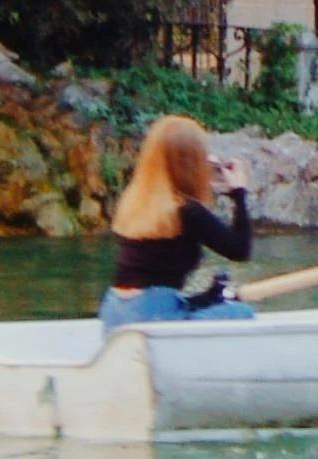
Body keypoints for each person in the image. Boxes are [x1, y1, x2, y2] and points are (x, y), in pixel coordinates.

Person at [104, 116, 257, 328]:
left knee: (208, 305)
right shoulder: (187, 211)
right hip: (152, 316)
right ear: (192, 163)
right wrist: (238, 193)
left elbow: (149, 280)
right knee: (242, 312)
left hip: (114, 314)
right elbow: (240, 250)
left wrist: (205, 298)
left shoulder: (134, 204)